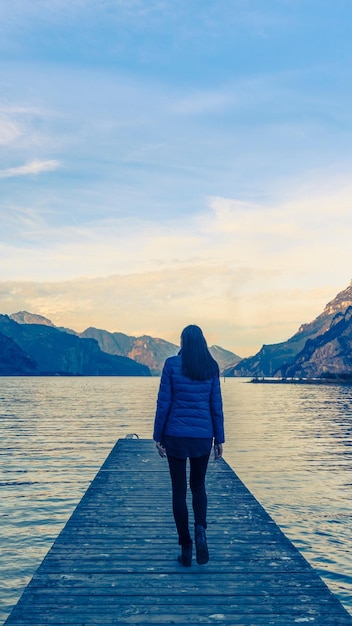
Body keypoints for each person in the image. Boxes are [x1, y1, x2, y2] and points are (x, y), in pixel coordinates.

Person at [153, 324, 225, 567]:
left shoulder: (171, 365)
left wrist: (158, 436)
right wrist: (219, 439)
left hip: (175, 435)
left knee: (179, 491)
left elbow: (163, 403)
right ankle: (201, 531)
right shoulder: (211, 368)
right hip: (202, 437)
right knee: (198, 486)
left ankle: (186, 548)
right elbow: (216, 406)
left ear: (183, 343)